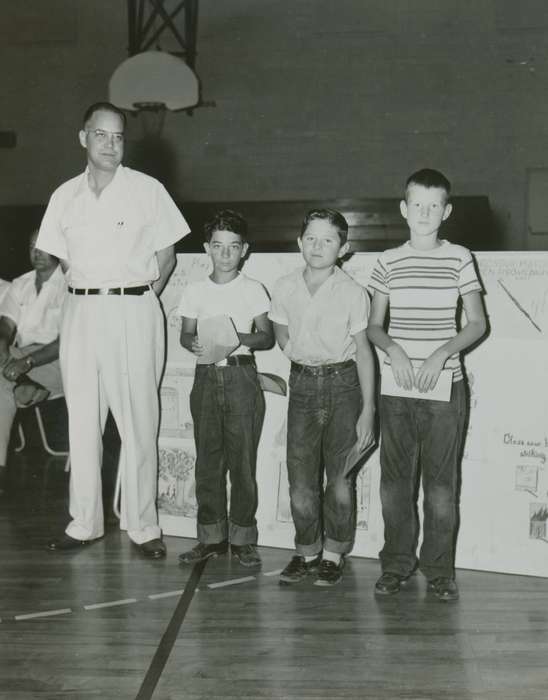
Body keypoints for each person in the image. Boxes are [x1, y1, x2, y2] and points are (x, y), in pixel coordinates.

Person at [36, 101, 190, 557]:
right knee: (82, 421)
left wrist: (138, 299)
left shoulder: (148, 190)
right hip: (81, 312)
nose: (110, 144)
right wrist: (90, 293)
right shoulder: (64, 196)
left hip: (134, 311)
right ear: (83, 137)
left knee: (139, 422)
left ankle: (144, 527)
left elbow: (167, 259)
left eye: (118, 137)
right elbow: (62, 258)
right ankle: (84, 523)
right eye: (101, 135)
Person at [367, 168, 487, 601]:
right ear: (403, 209)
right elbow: (374, 327)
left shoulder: (459, 257)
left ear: (447, 211)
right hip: (397, 390)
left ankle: (439, 570)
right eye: (417, 204)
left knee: (440, 486)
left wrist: (442, 353)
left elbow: (477, 323)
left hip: (444, 390)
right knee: (395, 484)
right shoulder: (387, 261)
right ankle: (396, 563)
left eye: (434, 205)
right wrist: (395, 350)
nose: (424, 212)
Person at [269, 208, 376, 587]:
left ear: (343, 248)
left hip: (344, 387)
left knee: (340, 479)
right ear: (299, 242)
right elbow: (280, 330)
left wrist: (369, 410)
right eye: (311, 238)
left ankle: (333, 554)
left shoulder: (353, 293)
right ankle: (307, 551)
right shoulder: (283, 287)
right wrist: (295, 353)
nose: (318, 246)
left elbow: (364, 351)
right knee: (300, 481)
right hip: (302, 387)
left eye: (328, 240)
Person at [177, 209, 273, 567]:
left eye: (234, 247)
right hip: (205, 377)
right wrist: (193, 344)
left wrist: (238, 338)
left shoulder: (253, 290)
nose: (226, 254)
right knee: (208, 462)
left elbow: (265, 338)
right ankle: (211, 537)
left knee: (242, 462)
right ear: (207, 248)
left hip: (241, 377)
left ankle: (244, 537)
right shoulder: (195, 290)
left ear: (245, 249)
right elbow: (186, 333)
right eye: (219, 246)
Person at [0, 231, 65, 493]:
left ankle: (20, 383)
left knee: (2, 386)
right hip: (18, 359)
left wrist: (26, 364)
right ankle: (21, 385)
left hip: (57, 362)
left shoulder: (70, 285)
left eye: (43, 247)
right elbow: (6, 324)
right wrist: (2, 342)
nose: (36, 253)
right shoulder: (21, 284)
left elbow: (65, 342)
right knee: (3, 388)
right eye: (31, 247)